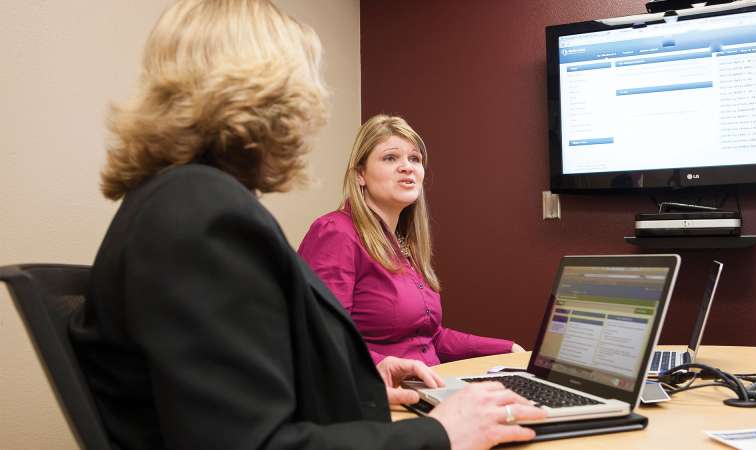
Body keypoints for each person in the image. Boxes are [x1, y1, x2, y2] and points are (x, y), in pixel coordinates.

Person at [67, 1, 544, 449]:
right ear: (268, 92)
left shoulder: (178, 201)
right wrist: (440, 434)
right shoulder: (203, 216)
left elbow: (249, 396)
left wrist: (361, 386)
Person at [298, 115, 525, 366]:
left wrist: (507, 348)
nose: (407, 167)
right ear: (360, 174)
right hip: (375, 393)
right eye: (390, 157)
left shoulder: (404, 243)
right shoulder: (336, 232)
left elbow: (431, 340)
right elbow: (321, 337)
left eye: (414, 159)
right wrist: (383, 366)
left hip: (428, 387)